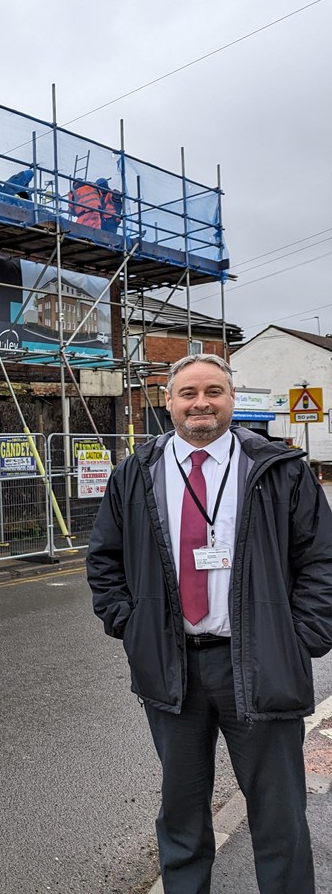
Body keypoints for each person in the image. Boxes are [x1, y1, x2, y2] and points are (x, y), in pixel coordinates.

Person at [87, 352, 332, 893]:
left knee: (279, 818)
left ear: (231, 399)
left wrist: (302, 638)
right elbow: (104, 560)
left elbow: (321, 559)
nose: (201, 403)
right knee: (180, 815)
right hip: (172, 669)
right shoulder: (137, 472)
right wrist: (131, 627)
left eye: (214, 392)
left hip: (261, 663)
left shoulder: (278, 471)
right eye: (189, 393)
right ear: (168, 401)